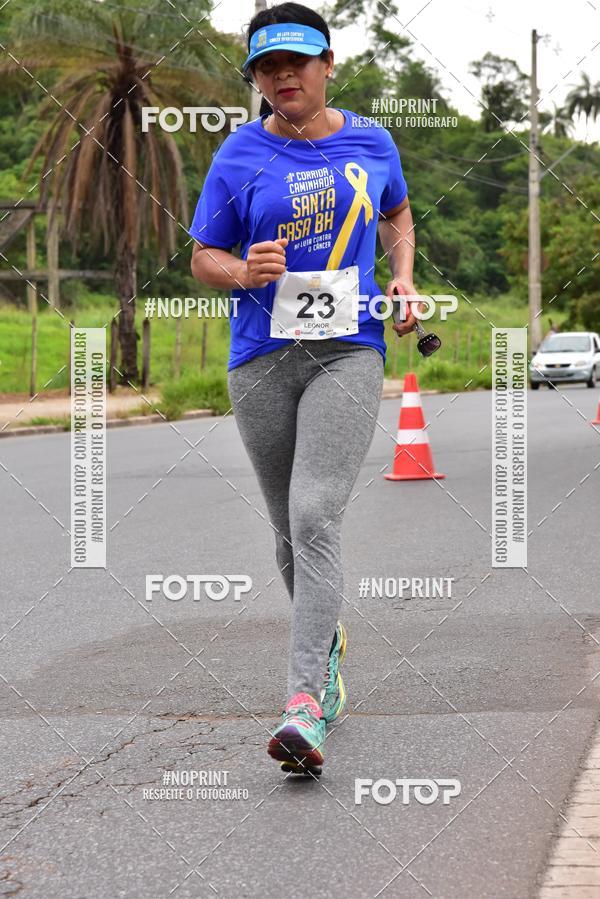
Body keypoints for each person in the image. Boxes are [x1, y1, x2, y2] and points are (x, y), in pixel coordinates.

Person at [189, 2, 418, 775]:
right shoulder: (239, 154)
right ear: (255, 78)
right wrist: (241, 270)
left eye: (296, 62)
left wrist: (404, 276)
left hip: (347, 350)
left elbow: (398, 213)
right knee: (288, 530)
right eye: (267, 67)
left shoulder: (371, 140)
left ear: (327, 65)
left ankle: (304, 706)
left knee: (316, 512)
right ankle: (328, 646)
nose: (283, 76)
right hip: (260, 356)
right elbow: (203, 258)